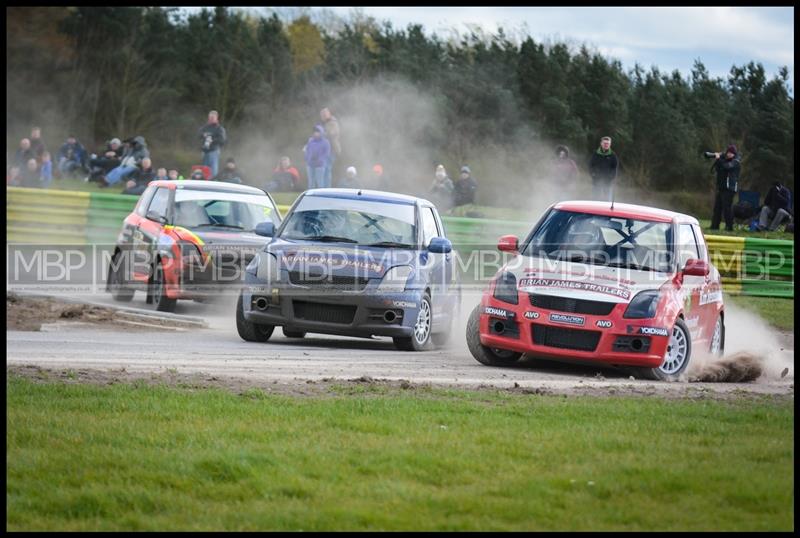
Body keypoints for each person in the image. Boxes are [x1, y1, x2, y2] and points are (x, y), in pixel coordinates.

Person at [710, 144, 741, 232]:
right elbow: (719, 168)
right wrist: (718, 159)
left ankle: (729, 226)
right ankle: (714, 225)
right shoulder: (724, 160)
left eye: (731, 153)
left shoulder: (736, 162)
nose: (729, 154)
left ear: (734, 154)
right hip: (721, 187)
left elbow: (727, 167)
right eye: (728, 152)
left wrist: (719, 158)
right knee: (717, 207)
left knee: (727, 208)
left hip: (729, 188)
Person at [588, 136, 618, 202]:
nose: (606, 145)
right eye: (605, 143)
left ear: (610, 144)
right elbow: (590, 166)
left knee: (607, 200)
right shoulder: (595, 154)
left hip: (608, 181)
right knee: (595, 199)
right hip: (596, 180)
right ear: (601, 143)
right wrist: (593, 175)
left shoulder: (613, 155)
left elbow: (614, 168)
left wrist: (611, 177)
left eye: (608, 143)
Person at [199, 110, 226, 178]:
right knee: (204, 170)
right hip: (205, 151)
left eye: (213, 117)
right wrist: (203, 135)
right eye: (210, 117)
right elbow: (199, 134)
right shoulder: (205, 127)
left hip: (214, 151)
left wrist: (212, 140)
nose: (211, 119)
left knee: (213, 171)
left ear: (216, 118)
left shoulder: (219, 128)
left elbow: (222, 140)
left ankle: (213, 182)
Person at [320, 107, 341, 189]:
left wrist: (323, 134)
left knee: (327, 169)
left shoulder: (332, 123)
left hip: (332, 149)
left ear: (329, 114)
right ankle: (324, 188)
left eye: (325, 114)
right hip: (326, 150)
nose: (323, 116)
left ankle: (326, 188)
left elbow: (333, 133)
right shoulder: (325, 123)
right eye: (322, 115)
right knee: (325, 169)